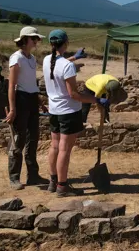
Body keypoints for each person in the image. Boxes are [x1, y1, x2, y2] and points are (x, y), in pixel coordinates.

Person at [43, 29, 105, 197]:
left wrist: (74, 58)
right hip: (69, 111)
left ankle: (53, 181)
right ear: (66, 43)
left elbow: (59, 64)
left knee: (54, 146)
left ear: (51, 43)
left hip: (54, 110)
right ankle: (62, 186)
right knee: (64, 149)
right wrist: (96, 100)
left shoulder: (47, 60)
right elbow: (74, 95)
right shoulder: (67, 66)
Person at [5, 26, 46, 190]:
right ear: (26, 40)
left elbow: (32, 83)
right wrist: (13, 108)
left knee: (33, 138)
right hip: (20, 99)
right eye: (34, 38)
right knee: (18, 139)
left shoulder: (31, 59)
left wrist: (39, 101)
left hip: (31, 98)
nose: (36, 41)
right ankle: (14, 177)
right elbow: (12, 85)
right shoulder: (16, 58)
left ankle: (33, 175)